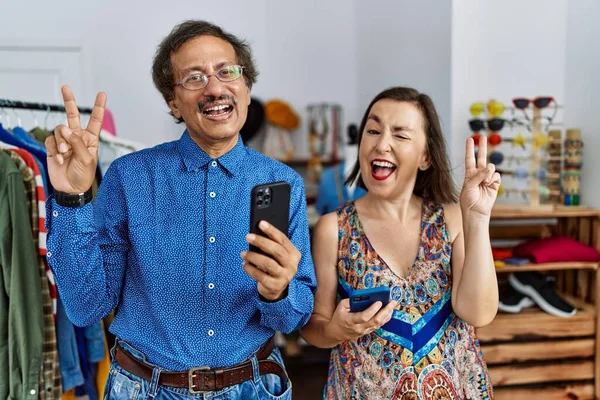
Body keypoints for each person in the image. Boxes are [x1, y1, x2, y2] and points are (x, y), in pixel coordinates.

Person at [43, 20, 316, 399]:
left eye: (227, 72)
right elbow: (86, 307)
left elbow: (293, 317)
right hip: (144, 389)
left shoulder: (283, 183)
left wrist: (276, 291)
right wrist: (71, 198)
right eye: (194, 78)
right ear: (173, 102)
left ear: (247, 88)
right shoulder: (128, 177)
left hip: (253, 389)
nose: (216, 87)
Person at [301, 87, 499, 399]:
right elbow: (313, 328)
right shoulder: (333, 229)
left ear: (425, 157)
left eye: (400, 135)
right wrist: (338, 329)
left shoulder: (453, 220)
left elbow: (479, 313)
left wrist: (476, 217)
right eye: (373, 130)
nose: (381, 144)